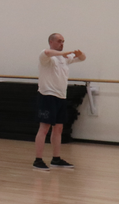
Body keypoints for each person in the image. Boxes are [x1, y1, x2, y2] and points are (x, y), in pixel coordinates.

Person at [34, 33, 85, 171]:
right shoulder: (45, 57)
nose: (62, 43)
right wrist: (64, 53)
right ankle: (38, 160)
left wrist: (79, 54)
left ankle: (56, 159)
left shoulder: (64, 59)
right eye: (59, 41)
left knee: (58, 129)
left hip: (61, 97)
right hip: (47, 96)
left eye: (63, 41)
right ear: (51, 42)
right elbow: (47, 52)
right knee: (44, 128)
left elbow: (82, 58)